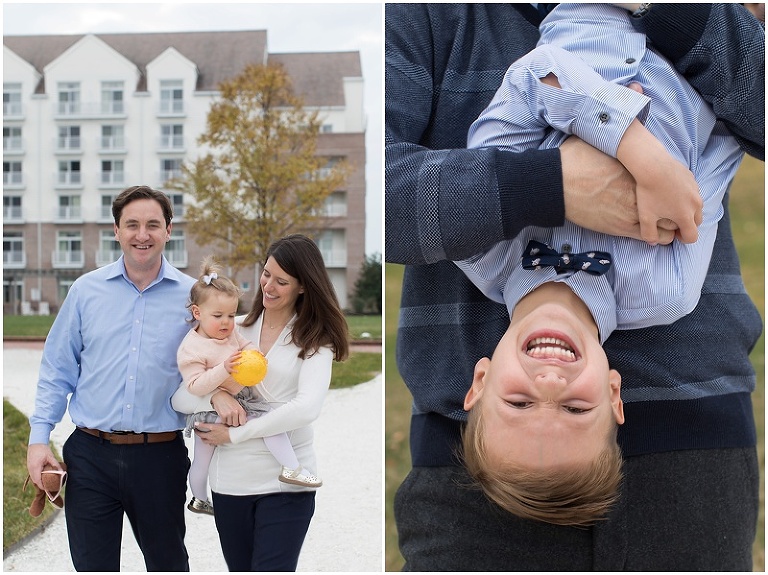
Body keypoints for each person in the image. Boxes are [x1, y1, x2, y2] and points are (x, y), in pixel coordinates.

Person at [386, 3, 764, 571]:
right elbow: (372, 200)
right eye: (570, 399)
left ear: (484, 383)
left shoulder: (487, 255)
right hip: (475, 479)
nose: (549, 380)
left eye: (522, 395)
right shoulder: (424, 16)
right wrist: (553, 183)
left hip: (696, 447)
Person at [26, 185, 195, 571]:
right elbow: (56, 371)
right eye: (132, 224)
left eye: (153, 224)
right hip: (90, 456)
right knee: (92, 567)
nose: (142, 234)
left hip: (161, 456)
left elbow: (211, 363)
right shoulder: (85, 291)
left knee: (168, 564)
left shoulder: (192, 298)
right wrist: (39, 440)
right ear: (116, 231)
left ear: (169, 231)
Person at [171, 234, 349, 572]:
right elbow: (181, 396)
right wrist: (216, 395)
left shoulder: (315, 341)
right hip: (230, 485)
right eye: (266, 273)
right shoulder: (229, 327)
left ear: (303, 287)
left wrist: (234, 434)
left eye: (281, 281)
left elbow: (307, 408)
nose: (268, 285)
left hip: (285, 486)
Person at [178, 257, 322, 517]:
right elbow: (193, 386)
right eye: (219, 316)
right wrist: (221, 381)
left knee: (271, 424)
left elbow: (245, 345)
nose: (226, 322)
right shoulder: (191, 348)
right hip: (208, 413)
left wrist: (256, 355)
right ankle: (199, 498)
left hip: (242, 399)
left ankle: (292, 468)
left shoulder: (231, 331)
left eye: (231, 315)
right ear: (197, 313)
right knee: (201, 460)